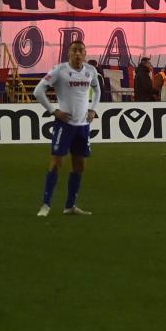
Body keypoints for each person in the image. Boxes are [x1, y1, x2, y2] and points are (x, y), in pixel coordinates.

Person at [34, 39, 98, 217]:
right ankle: (45, 205)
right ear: (69, 53)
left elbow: (98, 90)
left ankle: (70, 206)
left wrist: (93, 109)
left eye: (81, 51)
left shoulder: (91, 71)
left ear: (85, 54)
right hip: (65, 125)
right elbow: (38, 91)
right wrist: (54, 111)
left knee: (79, 167)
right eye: (74, 50)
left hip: (83, 127)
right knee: (55, 164)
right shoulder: (59, 71)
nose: (77, 53)